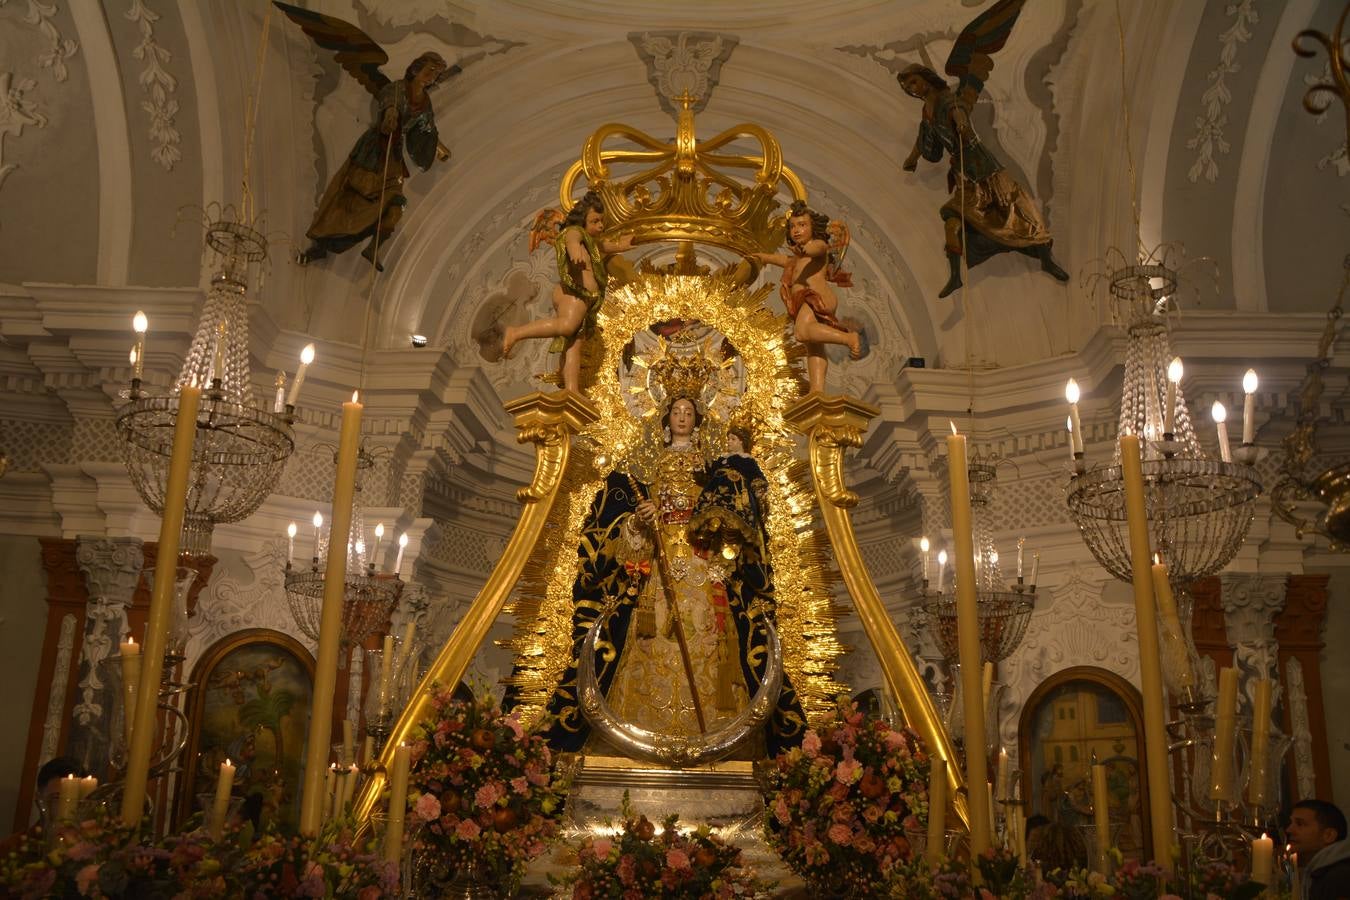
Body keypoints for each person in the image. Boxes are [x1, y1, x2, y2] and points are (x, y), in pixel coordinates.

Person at [530, 376, 805, 756]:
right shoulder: (646, 470)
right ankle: (641, 742)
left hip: (702, 567)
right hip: (658, 569)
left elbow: (733, 511)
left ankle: (717, 742)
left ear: (697, 420)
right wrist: (640, 520)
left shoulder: (713, 469)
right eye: (676, 411)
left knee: (713, 641)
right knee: (650, 637)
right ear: (665, 419)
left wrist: (715, 527)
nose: (681, 417)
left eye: (689, 412)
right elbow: (626, 546)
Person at [897, 63, 1069, 298]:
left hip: (981, 164)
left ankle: (1046, 259)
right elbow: (924, 137)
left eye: (913, 82)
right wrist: (912, 159)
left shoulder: (946, 98)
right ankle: (956, 276)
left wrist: (961, 122)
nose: (912, 88)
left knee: (1020, 211)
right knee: (952, 221)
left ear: (926, 79)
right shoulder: (927, 112)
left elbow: (958, 110)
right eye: (907, 87)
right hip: (963, 173)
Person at [297, 52, 454, 271]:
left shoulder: (425, 104)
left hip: (394, 156)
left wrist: (435, 144)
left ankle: (373, 248)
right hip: (376, 151)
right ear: (416, 69)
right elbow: (390, 105)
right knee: (355, 200)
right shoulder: (397, 89)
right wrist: (390, 117)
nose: (432, 77)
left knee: (395, 207)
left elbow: (425, 129)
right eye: (429, 70)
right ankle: (323, 244)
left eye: (436, 74)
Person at [502, 192, 634, 393]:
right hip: (573, 294)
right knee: (566, 326)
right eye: (595, 221)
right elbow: (572, 239)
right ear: (582, 220)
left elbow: (611, 245)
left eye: (602, 221)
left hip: (584, 300)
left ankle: (571, 391)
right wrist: (574, 252)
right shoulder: (575, 233)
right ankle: (516, 332)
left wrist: (629, 241)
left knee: (574, 346)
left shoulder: (592, 244)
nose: (600, 226)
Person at [752, 200, 863, 394]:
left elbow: (819, 249)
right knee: (814, 347)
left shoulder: (816, 246)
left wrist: (807, 249)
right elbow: (784, 260)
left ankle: (848, 338)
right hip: (805, 300)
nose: (796, 230)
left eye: (802, 225)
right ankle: (817, 389)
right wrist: (763, 257)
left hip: (817, 297)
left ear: (813, 227)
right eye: (793, 226)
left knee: (802, 333)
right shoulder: (797, 258)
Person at [1289, 799, 1350, 900]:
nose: (1289, 830)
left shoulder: (1340, 877)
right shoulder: (1320, 873)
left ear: (1329, 835)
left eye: (1300, 824)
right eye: (1291, 823)